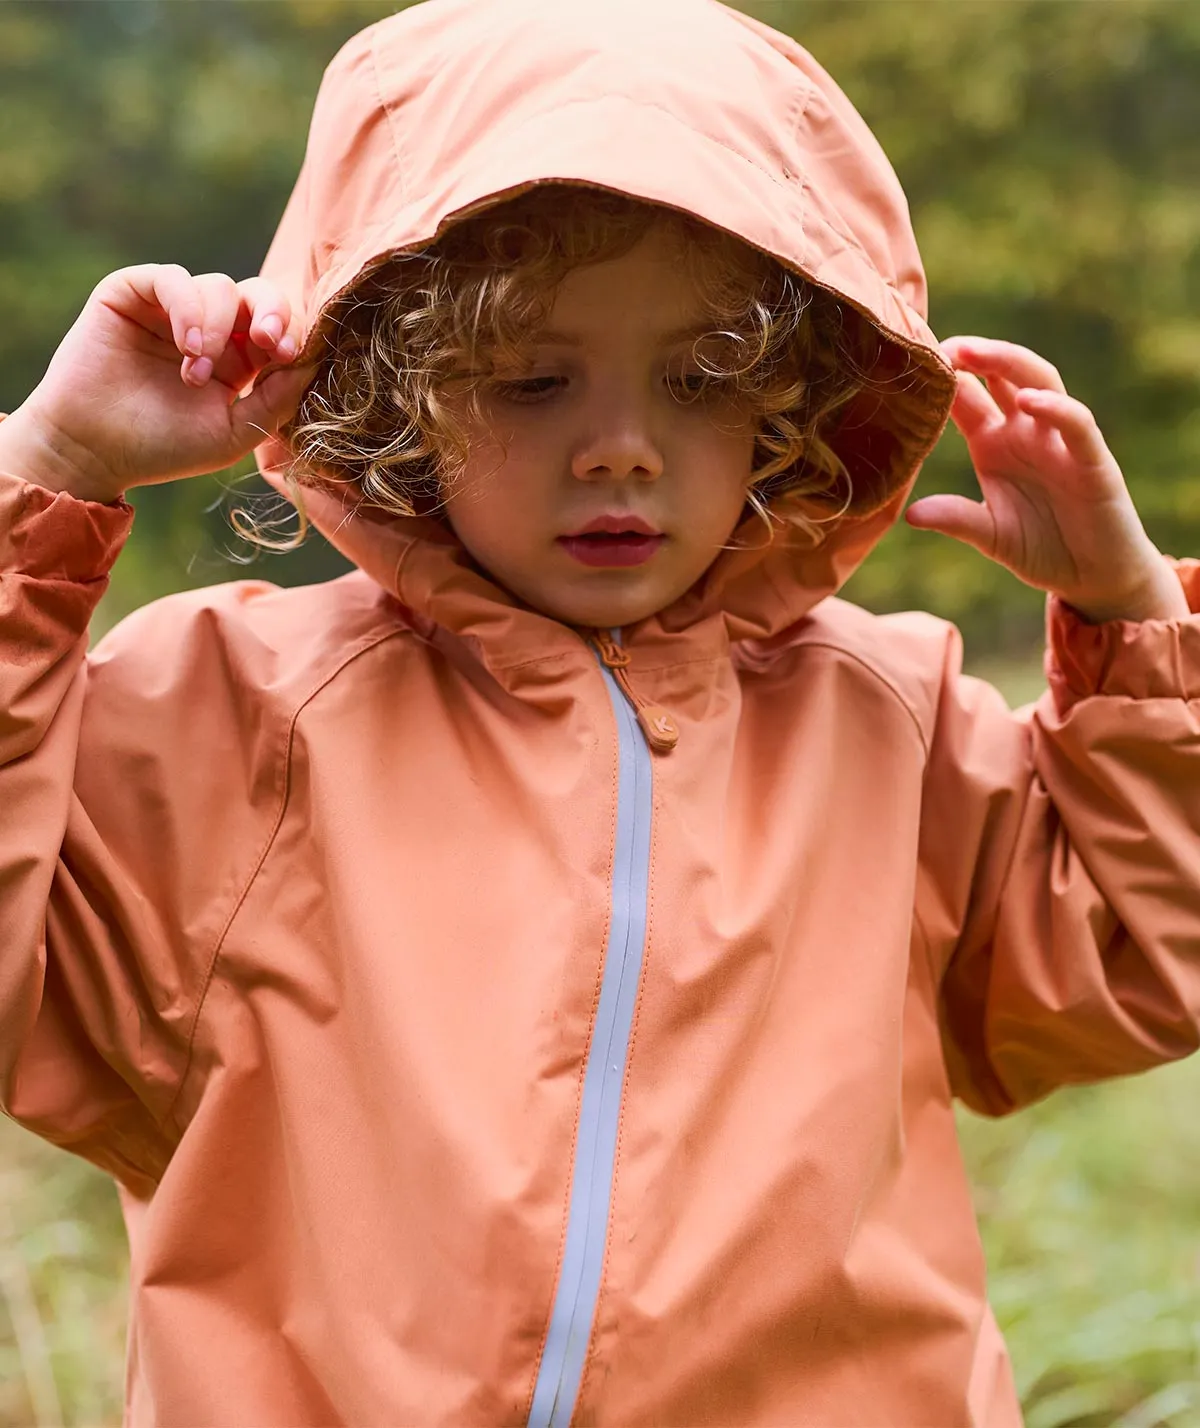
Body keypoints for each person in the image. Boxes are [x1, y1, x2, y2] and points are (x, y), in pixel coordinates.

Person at [0, 0, 1196, 1422]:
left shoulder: (894, 720)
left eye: (702, 381)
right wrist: (49, 473)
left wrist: (1134, 630)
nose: (622, 447)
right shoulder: (234, 719)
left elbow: (1146, 959)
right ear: (392, 389)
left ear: (795, 398)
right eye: (533, 379)